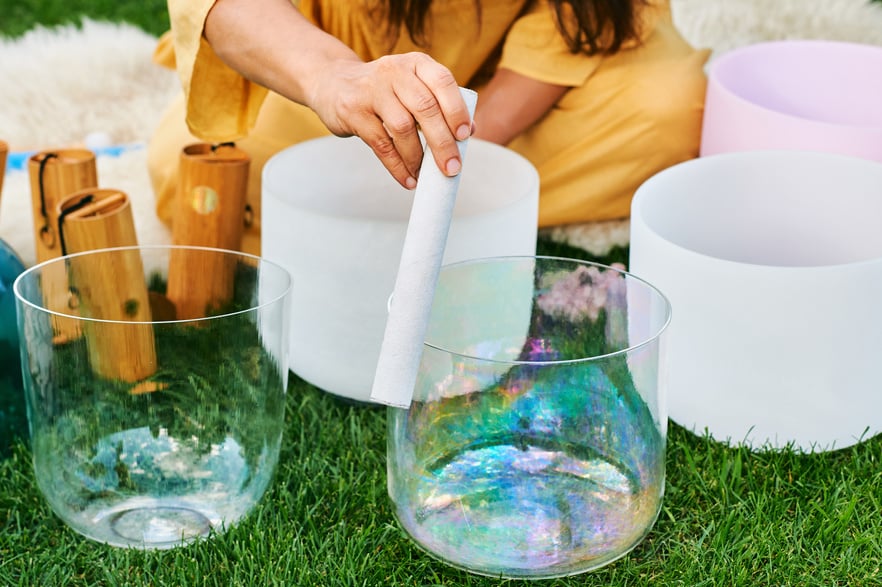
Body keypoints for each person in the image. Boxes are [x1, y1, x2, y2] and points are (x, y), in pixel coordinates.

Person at [148, 0, 709, 255]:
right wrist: (334, 80)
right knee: (196, 163)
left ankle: (374, 206)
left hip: (502, 79)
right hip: (318, 64)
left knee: (667, 110)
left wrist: (461, 142)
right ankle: (480, 204)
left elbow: (584, 18)